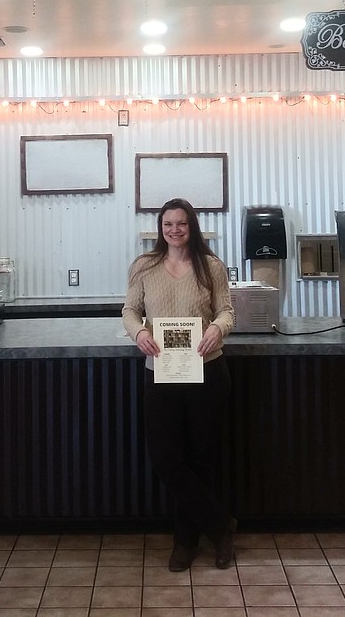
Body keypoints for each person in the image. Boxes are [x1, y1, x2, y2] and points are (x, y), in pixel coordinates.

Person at [122, 197, 237, 572]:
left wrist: (218, 329)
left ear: (193, 227)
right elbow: (130, 310)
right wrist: (138, 332)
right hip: (161, 372)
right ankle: (221, 526)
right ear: (161, 228)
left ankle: (185, 543)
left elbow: (226, 310)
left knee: (202, 459)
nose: (174, 230)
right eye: (168, 224)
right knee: (166, 457)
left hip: (207, 370)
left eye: (182, 224)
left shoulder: (211, 266)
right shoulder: (144, 266)